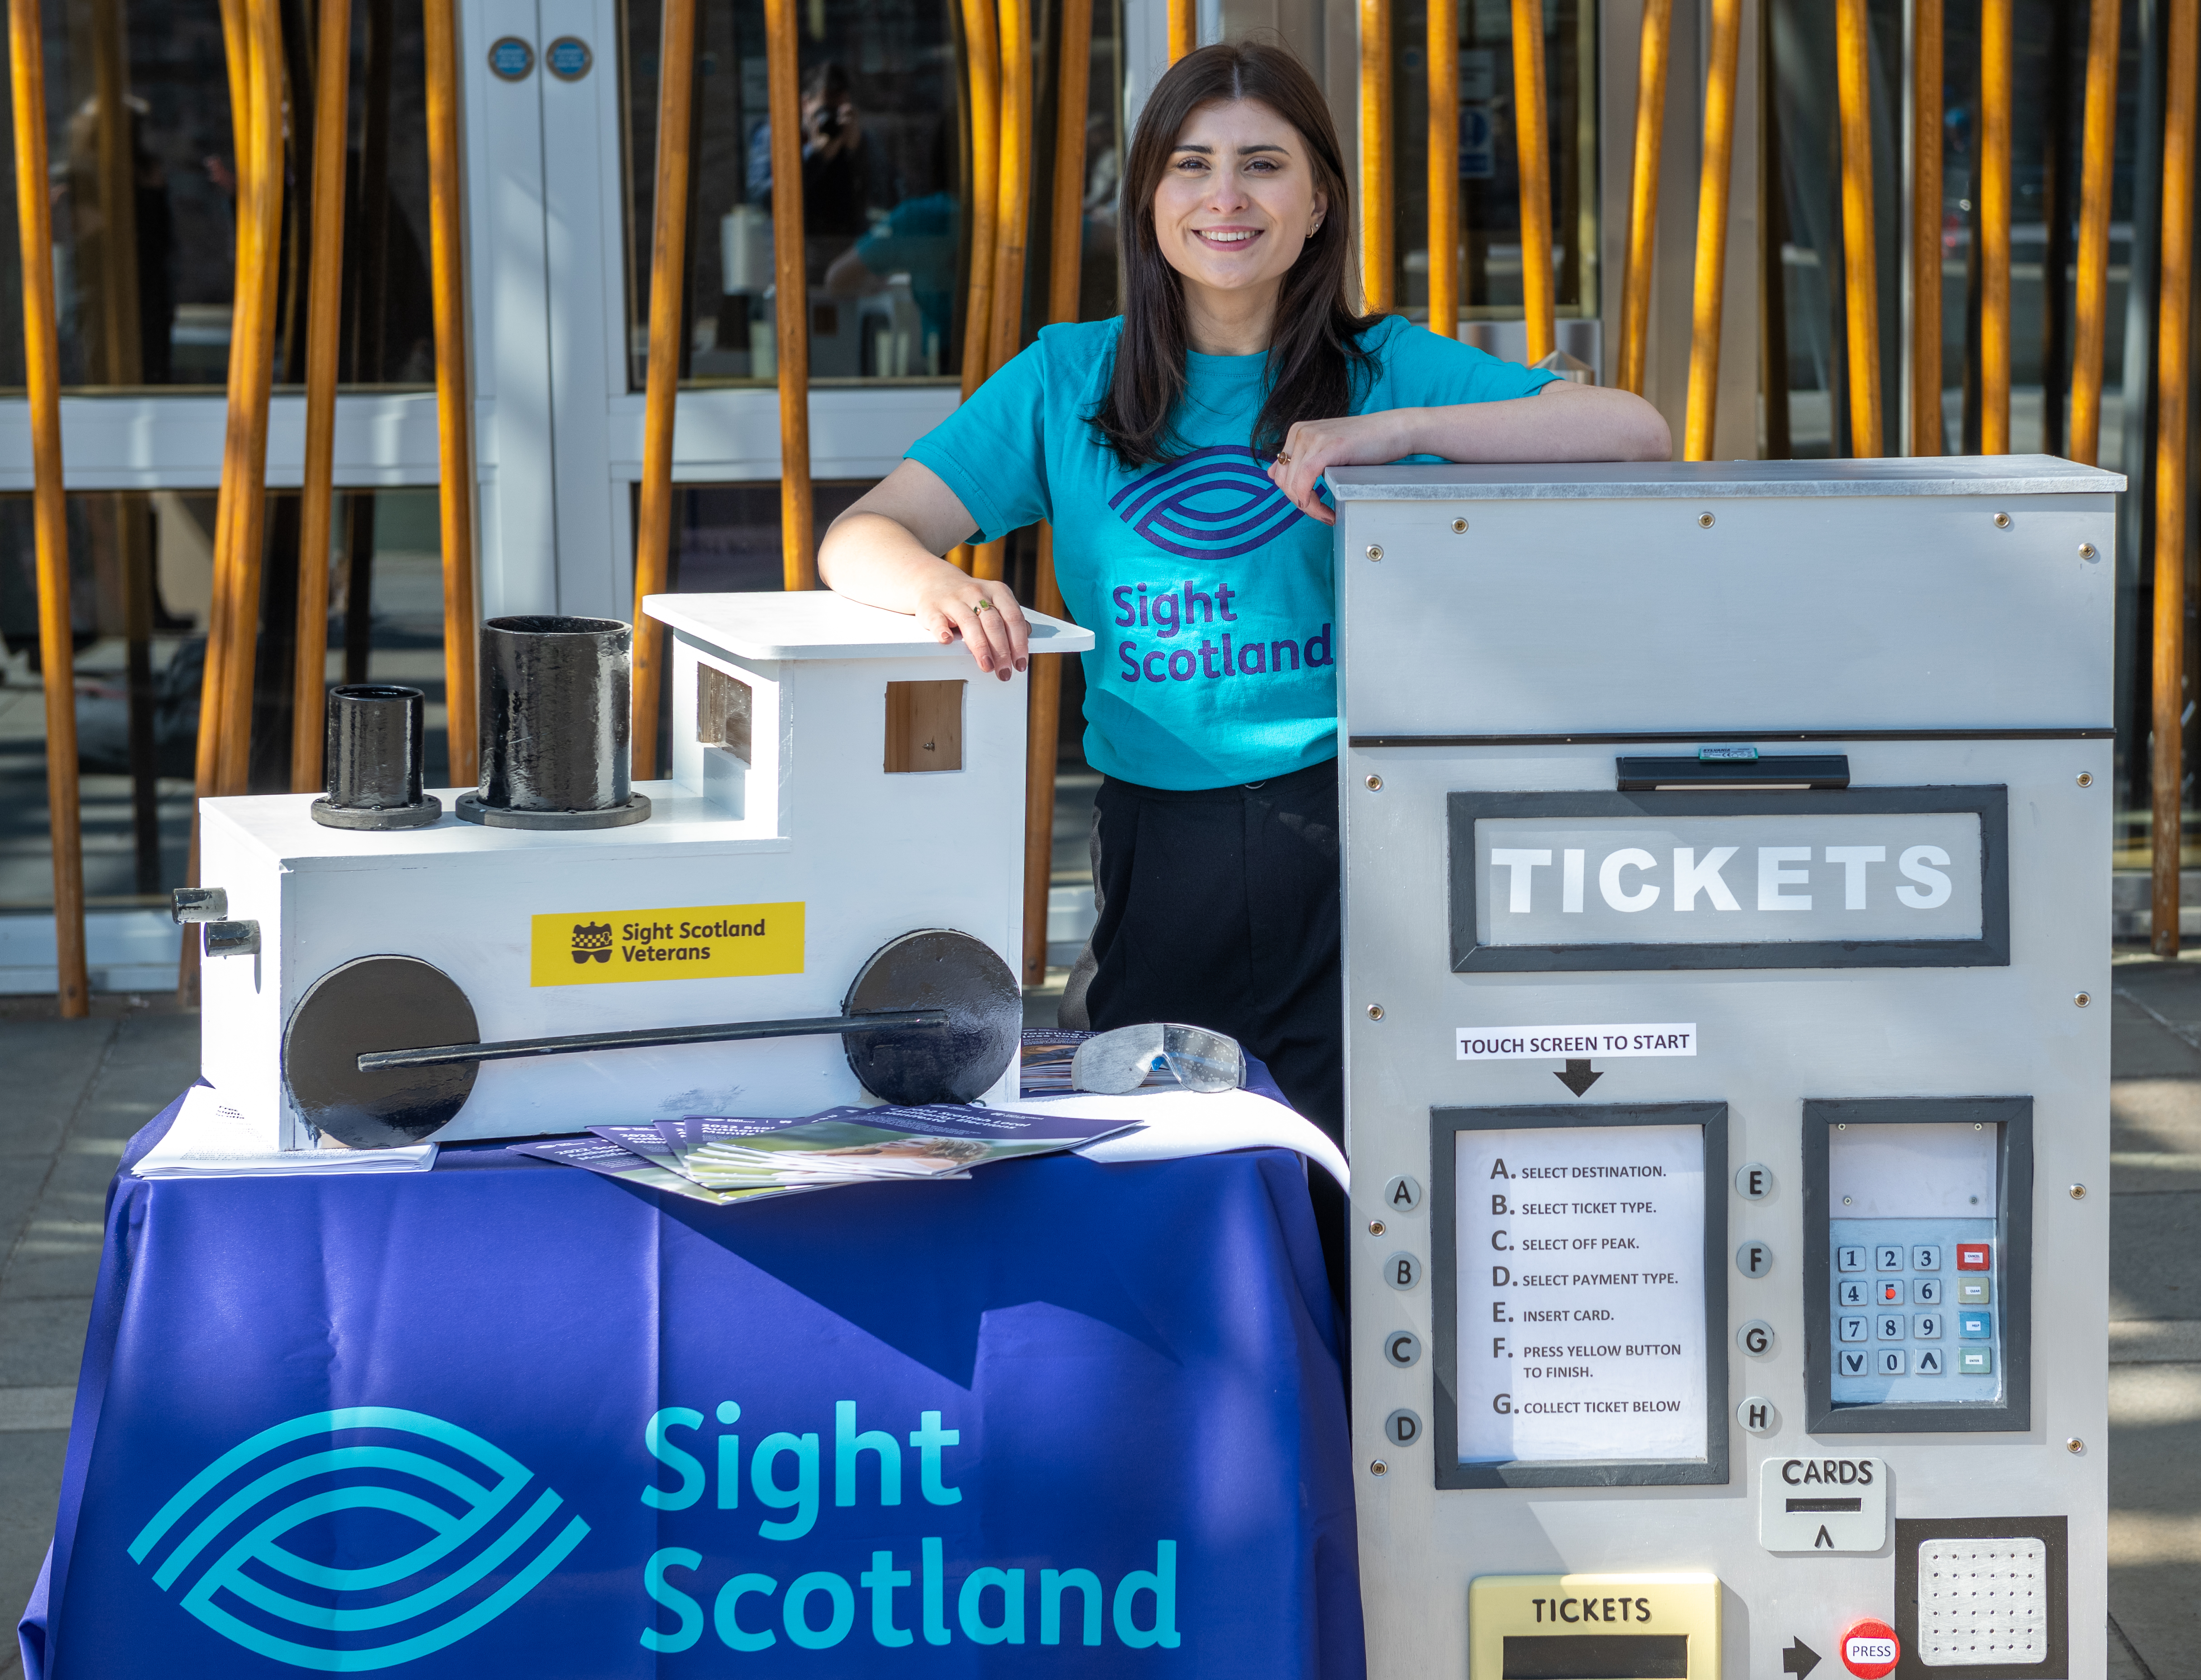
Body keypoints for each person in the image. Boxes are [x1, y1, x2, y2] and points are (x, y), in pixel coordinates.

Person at [818, 40, 1668, 1293]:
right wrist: (946, 583)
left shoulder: (1383, 369)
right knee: (1170, 1184)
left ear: (1319, 199)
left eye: (1265, 166)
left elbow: (1633, 436)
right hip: (1164, 843)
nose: (1228, 198)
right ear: (1147, 199)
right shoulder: (1070, 376)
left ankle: (1350, 1461)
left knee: (1354, 1182)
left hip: (1354, 832)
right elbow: (862, 537)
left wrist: (1395, 433)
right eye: (1193, 166)